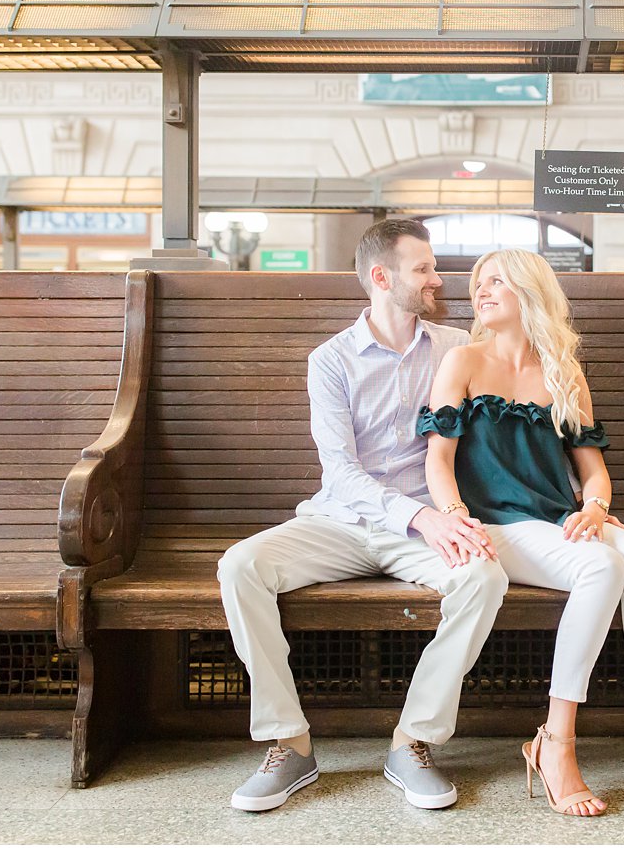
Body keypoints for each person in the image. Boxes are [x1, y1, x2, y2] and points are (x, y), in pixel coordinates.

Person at [217, 219, 506, 813]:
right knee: (240, 565)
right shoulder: (331, 360)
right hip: (341, 522)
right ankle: (288, 745)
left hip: (427, 525)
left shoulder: (457, 348)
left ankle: (413, 742)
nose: (436, 278)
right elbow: (341, 473)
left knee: (483, 578)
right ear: (381, 277)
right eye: (422, 268)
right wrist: (421, 519)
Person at [418, 248, 624, 822]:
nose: (482, 290)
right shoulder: (462, 362)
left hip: (556, 520)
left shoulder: (564, 372)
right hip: (494, 525)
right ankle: (556, 740)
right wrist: (453, 514)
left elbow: (593, 471)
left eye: (497, 280)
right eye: (478, 282)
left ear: (529, 291)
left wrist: (596, 507)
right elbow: (438, 462)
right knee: (604, 567)